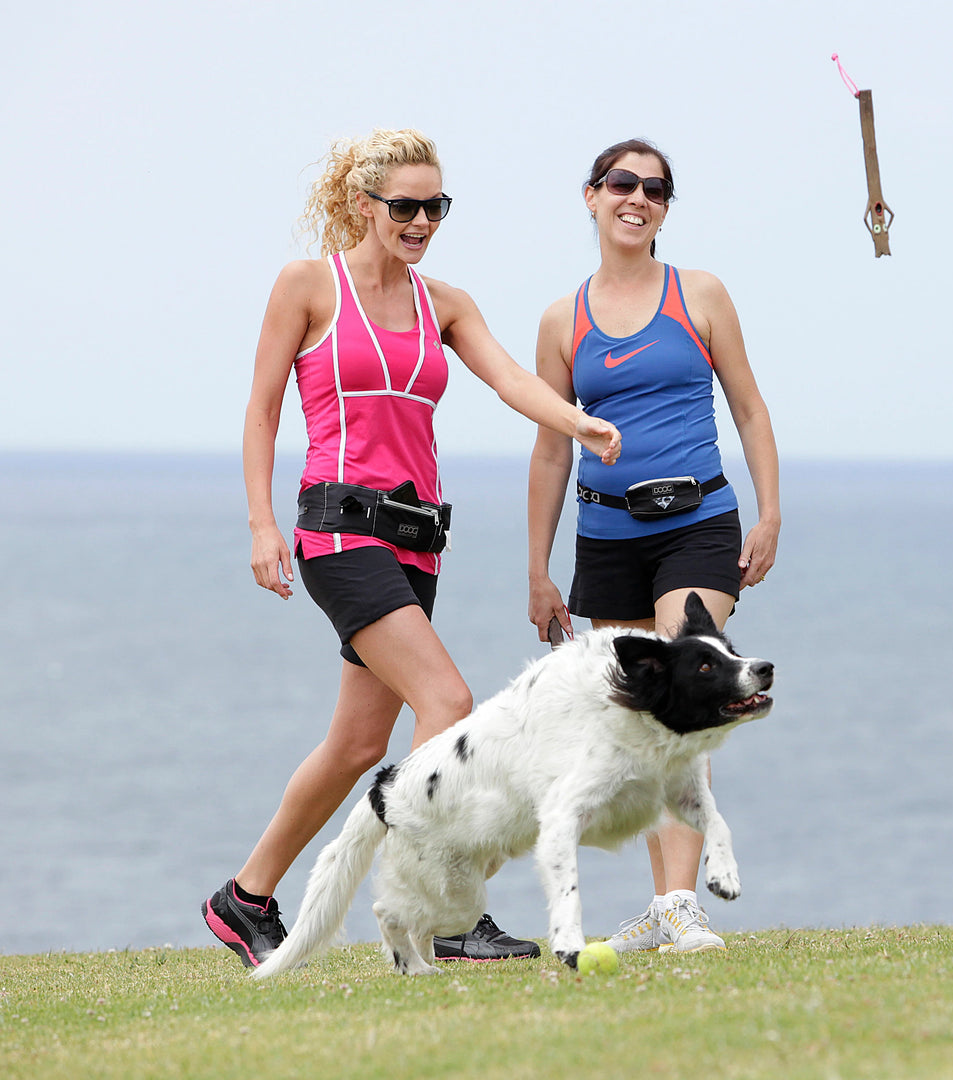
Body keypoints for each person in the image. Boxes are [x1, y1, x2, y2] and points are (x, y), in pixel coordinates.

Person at [202, 128, 621, 968]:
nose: (422, 219)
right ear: (364, 206)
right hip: (339, 532)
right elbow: (261, 409)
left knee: (359, 745)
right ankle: (445, 914)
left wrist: (575, 420)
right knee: (450, 703)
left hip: (418, 545)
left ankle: (243, 899)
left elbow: (509, 377)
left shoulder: (448, 304)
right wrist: (260, 523)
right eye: (406, 206)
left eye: (436, 206)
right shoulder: (308, 285)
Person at [527, 138, 779, 955]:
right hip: (606, 536)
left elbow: (747, 407)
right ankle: (663, 902)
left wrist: (769, 512)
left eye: (656, 189)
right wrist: (539, 568)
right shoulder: (562, 320)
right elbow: (551, 449)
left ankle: (679, 906)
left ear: (666, 208)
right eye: (622, 184)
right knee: (637, 718)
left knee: (687, 676)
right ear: (592, 196)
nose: (638, 198)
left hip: (699, 522)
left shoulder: (699, 294)